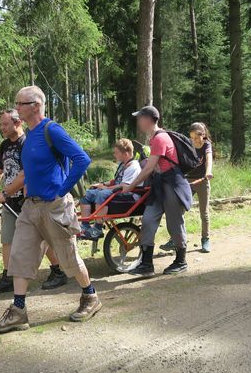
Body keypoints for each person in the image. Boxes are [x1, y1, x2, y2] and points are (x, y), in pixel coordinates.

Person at [0, 86, 102, 333]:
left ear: (36, 106)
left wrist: (62, 190)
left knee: (67, 257)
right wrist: (8, 192)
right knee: (19, 255)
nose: (16, 108)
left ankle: (90, 296)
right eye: (16, 103)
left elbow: (82, 159)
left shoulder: (52, 130)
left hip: (55, 206)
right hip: (31, 206)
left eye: (20, 103)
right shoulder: (29, 136)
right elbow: (28, 172)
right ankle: (18, 312)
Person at [0, 109, 68, 294]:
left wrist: (5, 192)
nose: (1, 128)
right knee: (7, 239)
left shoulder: (28, 143)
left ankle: (58, 271)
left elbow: (25, 175)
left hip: (29, 200)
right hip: (10, 201)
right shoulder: (5, 145)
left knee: (43, 237)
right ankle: (8, 277)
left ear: (18, 123)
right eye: (1, 124)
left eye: (5, 124)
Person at [122, 106, 192, 277]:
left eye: (139, 117)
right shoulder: (153, 139)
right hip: (159, 185)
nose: (138, 121)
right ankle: (146, 264)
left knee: (174, 223)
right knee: (148, 219)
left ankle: (181, 261)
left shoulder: (160, 138)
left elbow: (149, 169)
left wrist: (130, 186)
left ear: (148, 119)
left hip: (172, 184)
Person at [161, 122, 214, 253]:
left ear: (203, 135)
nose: (194, 141)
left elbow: (209, 158)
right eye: (192, 138)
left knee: (204, 213)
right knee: (178, 210)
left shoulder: (207, 145)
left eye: (196, 138)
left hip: (202, 181)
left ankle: (205, 239)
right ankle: (176, 239)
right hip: (187, 181)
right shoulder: (189, 144)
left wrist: (208, 171)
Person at [78, 138, 142, 240]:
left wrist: (104, 188)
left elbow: (124, 186)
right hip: (118, 191)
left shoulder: (133, 167)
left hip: (129, 195)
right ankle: (85, 226)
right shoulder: (123, 164)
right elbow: (116, 180)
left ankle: (98, 228)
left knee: (102, 194)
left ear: (126, 154)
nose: (114, 155)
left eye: (116, 153)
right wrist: (102, 184)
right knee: (87, 194)